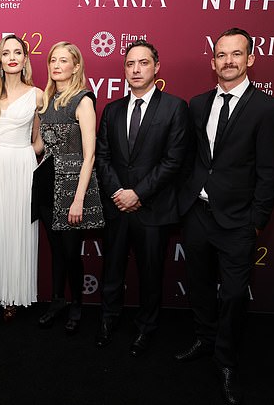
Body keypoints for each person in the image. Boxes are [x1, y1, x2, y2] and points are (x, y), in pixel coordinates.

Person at [176, 28, 274, 405]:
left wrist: (257, 219)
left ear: (250, 59)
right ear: (213, 62)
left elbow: (269, 170)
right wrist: (186, 201)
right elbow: (192, 158)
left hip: (239, 220)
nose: (228, 61)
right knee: (200, 284)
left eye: (236, 54)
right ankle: (205, 339)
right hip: (197, 214)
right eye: (222, 55)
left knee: (235, 294)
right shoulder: (197, 104)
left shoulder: (268, 108)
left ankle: (225, 359)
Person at [94, 40, 189, 356]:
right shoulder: (112, 109)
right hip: (117, 207)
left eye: (143, 63)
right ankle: (109, 319)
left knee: (151, 274)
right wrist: (120, 194)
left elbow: (174, 161)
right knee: (111, 269)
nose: (135, 69)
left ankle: (146, 328)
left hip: (153, 209)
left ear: (156, 67)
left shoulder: (174, 108)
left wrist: (139, 193)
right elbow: (103, 157)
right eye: (130, 63)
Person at [0, 35, 43, 325]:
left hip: (22, 166)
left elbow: (39, 141)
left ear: (26, 58)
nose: (12, 57)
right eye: (5, 53)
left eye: (18, 52)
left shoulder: (38, 94)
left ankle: (13, 295)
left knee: (17, 229)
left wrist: (22, 154)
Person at [34, 41, 103, 335]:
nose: (57, 65)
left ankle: (77, 302)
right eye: (53, 60)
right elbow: (39, 146)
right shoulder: (45, 101)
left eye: (64, 60)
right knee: (56, 250)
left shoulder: (83, 100)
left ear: (76, 67)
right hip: (48, 182)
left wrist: (78, 200)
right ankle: (58, 300)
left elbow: (90, 155)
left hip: (73, 184)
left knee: (72, 251)